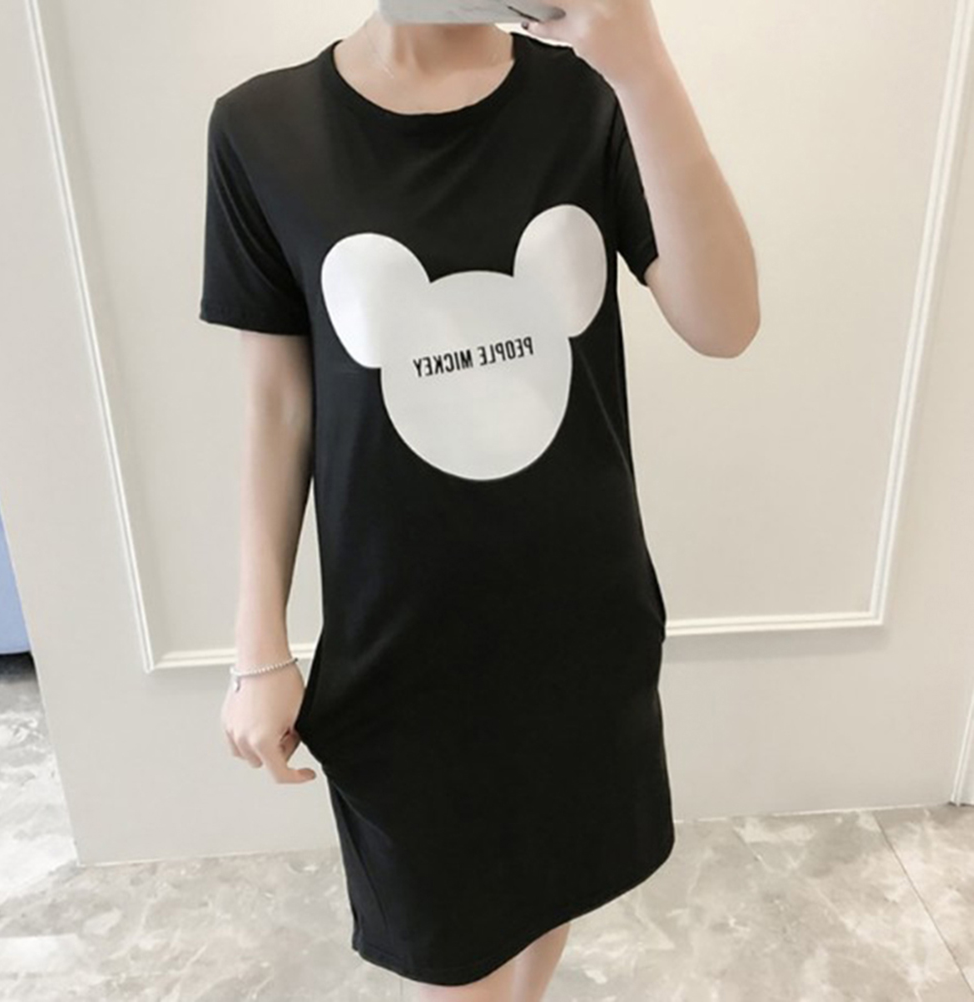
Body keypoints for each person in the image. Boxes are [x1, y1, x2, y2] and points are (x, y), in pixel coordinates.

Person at [200, 1, 759, 999]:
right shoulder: (261, 129)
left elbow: (725, 323)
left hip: (579, 626)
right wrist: (259, 649)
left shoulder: (591, 98)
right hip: (403, 650)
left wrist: (642, 67)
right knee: (451, 950)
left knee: (547, 897)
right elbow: (276, 409)